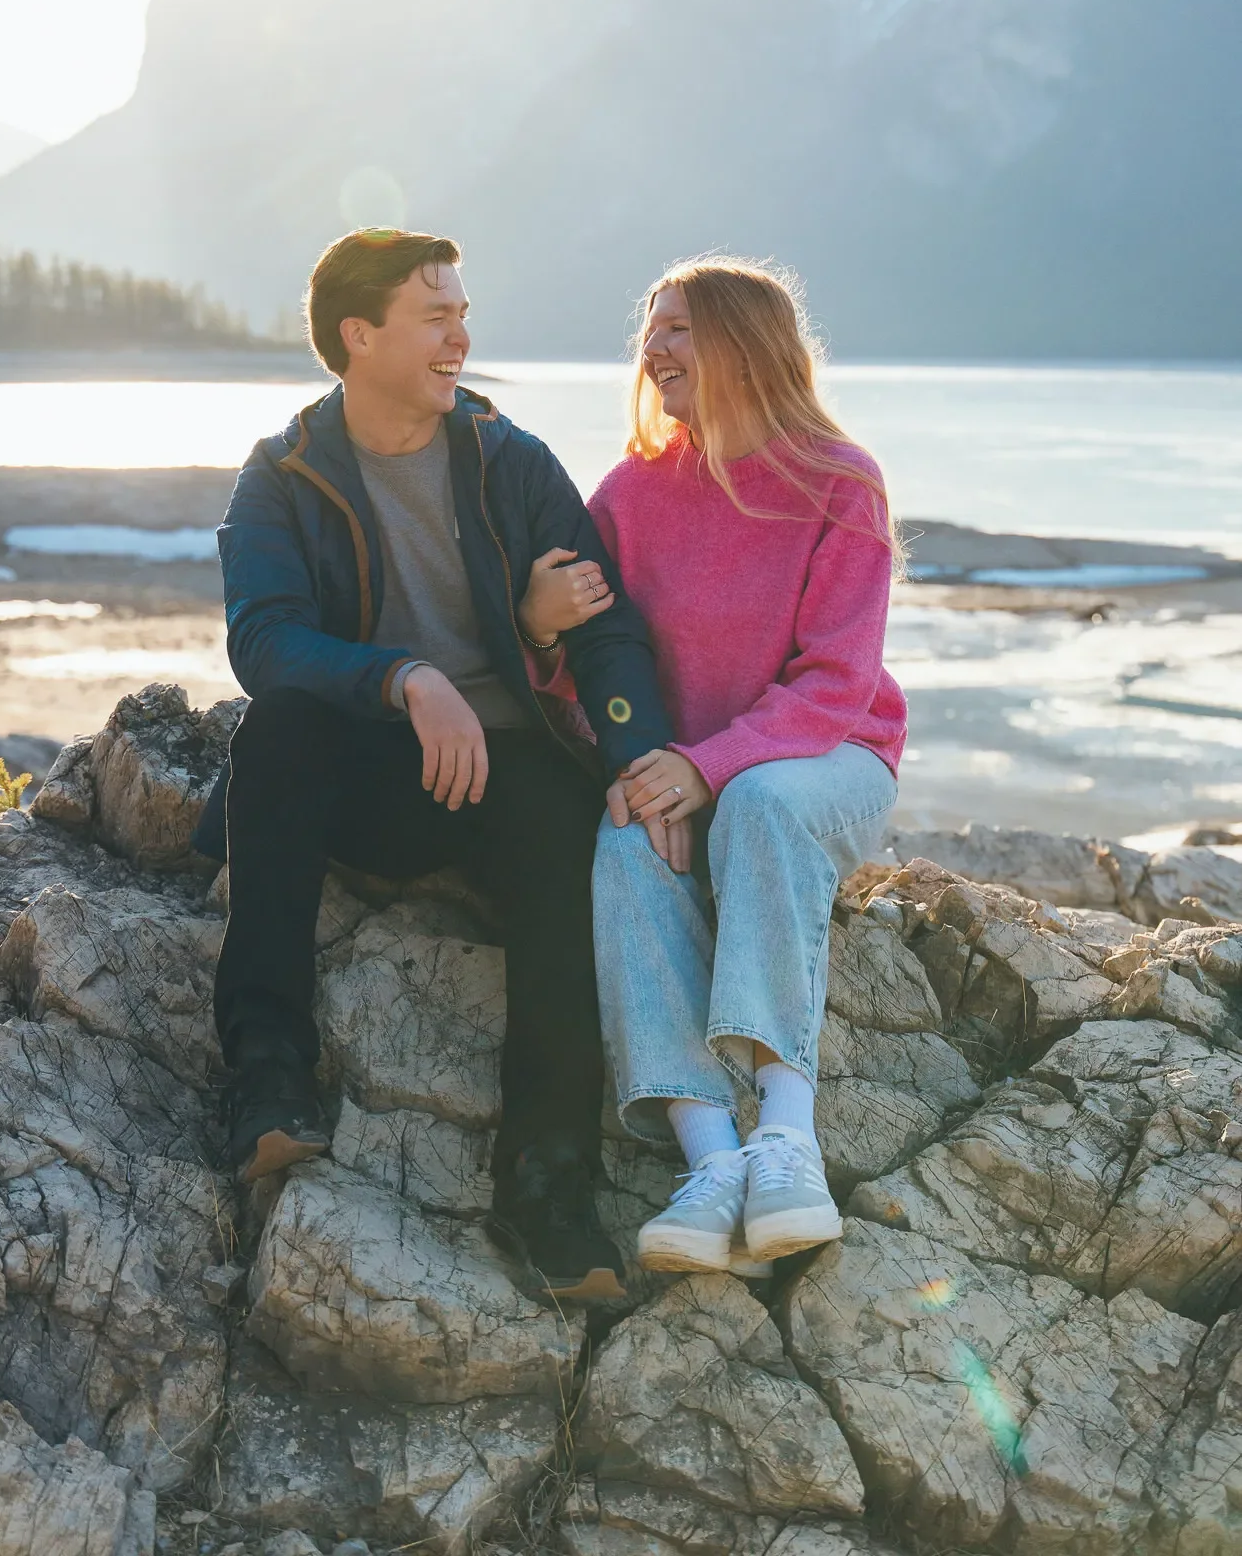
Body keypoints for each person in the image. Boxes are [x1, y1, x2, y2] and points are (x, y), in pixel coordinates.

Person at [196, 227, 672, 1306]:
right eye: (434, 312)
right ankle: (268, 1076)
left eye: (462, 310)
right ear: (358, 335)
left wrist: (639, 758)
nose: (461, 333)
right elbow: (264, 640)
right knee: (275, 732)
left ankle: (545, 1179)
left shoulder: (513, 462)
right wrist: (405, 676)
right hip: (361, 770)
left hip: (502, 771)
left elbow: (605, 629)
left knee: (571, 827)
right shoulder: (283, 474)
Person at [544, 255, 905, 1275]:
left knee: (758, 801)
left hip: (825, 763)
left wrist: (708, 767)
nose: (653, 347)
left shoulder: (840, 479)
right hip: (688, 771)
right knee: (624, 832)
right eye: (649, 329)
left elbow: (837, 680)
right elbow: (582, 669)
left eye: (678, 328)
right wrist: (625, 758)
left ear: (746, 346)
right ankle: (711, 1159)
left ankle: (788, 1131)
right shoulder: (627, 493)